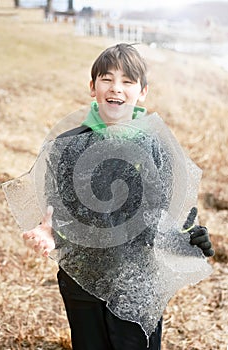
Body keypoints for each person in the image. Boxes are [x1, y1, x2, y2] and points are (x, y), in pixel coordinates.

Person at [23, 43, 214, 350]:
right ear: (92, 87)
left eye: (128, 81)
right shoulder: (67, 146)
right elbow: (55, 209)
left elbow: (163, 218)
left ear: (142, 92)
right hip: (82, 282)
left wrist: (188, 240)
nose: (117, 88)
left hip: (137, 284)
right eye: (107, 79)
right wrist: (47, 232)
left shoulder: (156, 147)